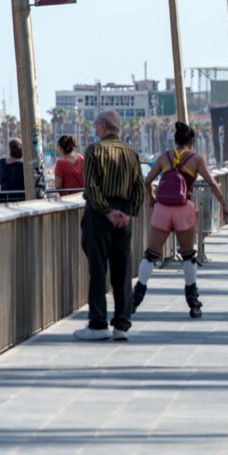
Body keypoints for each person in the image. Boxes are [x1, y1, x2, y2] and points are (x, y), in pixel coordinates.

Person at [132, 121, 228, 319]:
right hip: (184, 209)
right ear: (192, 141)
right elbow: (211, 182)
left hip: (162, 209)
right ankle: (193, 302)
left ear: (175, 140)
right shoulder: (195, 159)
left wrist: (152, 199)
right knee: (188, 255)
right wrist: (224, 205)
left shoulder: (164, 158)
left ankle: (135, 299)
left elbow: (147, 181)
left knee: (151, 254)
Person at [74, 111, 146, 341]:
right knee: (122, 271)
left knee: (98, 269)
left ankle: (98, 323)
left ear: (104, 127)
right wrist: (127, 213)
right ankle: (122, 325)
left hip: (99, 215)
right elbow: (139, 189)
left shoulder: (94, 151)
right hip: (124, 215)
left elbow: (92, 187)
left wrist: (106, 211)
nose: (94, 129)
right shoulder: (131, 154)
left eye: (96, 125)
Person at [0, 139, 25, 203]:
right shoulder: (23, 166)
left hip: (3, 199)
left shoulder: (1, 163)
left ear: (10, 149)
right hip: (19, 201)